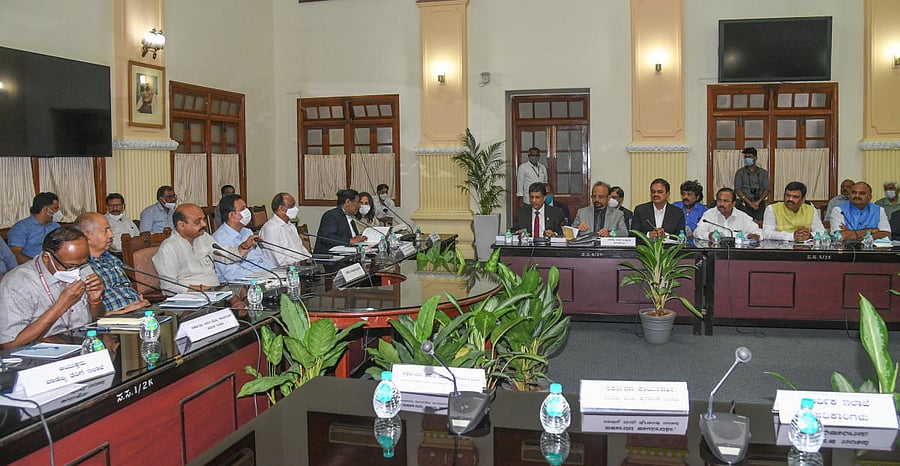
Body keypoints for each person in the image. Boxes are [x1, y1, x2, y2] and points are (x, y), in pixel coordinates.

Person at [0, 227, 105, 348]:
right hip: (37, 356)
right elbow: (8, 345)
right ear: (46, 258)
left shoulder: (83, 267)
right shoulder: (17, 283)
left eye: (83, 263)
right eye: (70, 266)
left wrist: (95, 301)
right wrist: (62, 305)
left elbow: (97, 318)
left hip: (81, 343)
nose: (76, 271)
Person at [152, 203, 258, 295]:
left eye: (203, 219)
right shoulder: (168, 248)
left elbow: (226, 256)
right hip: (190, 301)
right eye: (198, 222)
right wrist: (200, 289)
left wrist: (245, 246)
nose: (204, 224)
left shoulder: (204, 237)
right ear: (181, 225)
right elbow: (168, 286)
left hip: (215, 294)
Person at [73, 213, 150, 314]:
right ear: (87, 235)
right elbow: (84, 317)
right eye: (106, 231)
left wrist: (143, 303)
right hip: (114, 321)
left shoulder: (112, 259)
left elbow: (126, 289)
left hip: (137, 311)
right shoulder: (79, 268)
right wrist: (122, 312)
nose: (111, 235)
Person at [214, 194, 279, 282]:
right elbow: (232, 274)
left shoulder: (247, 231)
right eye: (243, 209)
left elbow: (261, 259)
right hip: (242, 284)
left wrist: (276, 272)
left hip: (266, 277)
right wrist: (263, 276)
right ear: (232, 215)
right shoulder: (219, 238)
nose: (247, 212)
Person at [762, 181, 826, 242]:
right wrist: (792, 236)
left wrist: (810, 235)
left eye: (795, 197)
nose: (790, 199)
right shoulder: (772, 209)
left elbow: (822, 232)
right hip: (780, 250)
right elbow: (767, 234)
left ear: (803, 199)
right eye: (788, 195)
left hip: (804, 249)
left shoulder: (810, 210)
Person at [8, 192, 62, 264]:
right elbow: (15, 254)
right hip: (31, 268)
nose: (58, 212)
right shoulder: (20, 228)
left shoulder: (56, 226)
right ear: (46, 210)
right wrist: (38, 265)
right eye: (55, 209)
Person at [259, 192, 311, 266]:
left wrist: (309, 259)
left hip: (298, 268)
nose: (295, 208)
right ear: (281, 208)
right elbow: (278, 261)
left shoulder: (291, 226)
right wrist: (300, 262)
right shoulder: (271, 229)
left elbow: (301, 249)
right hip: (282, 272)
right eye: (292, 205)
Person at [693, 188, 762, 242]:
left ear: (733, 204)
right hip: (715, 253)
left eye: (726, 201)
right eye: (719, 200)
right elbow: (697, 232)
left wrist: (756, 236)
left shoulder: (742, 217)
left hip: (736, 255)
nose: (721, 204)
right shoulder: (709, 215)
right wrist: (709, 235)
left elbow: (758, 232)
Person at [313, 189, 368, 254]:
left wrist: (360, 238)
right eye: (358, 202)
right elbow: (326, 237)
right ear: (348, 202)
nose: (359, 206)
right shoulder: (331, 215)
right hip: (329, 259)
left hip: (348, 257)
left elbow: (352, 238)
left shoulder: (350, 217)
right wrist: (350, 241)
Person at [733, 147, 770, 221]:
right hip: (745, 203)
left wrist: (758, 202)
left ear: (755, 158)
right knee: (744, 222)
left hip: (759, 203)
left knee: (759, 224)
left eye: (749, 157)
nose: (747, 159)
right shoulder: (740, 172)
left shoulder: (763, 173)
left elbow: (767, 189)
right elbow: (738, 189)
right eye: (746, 157)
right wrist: (749, 203)